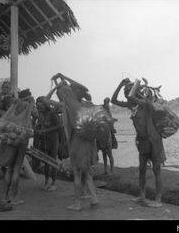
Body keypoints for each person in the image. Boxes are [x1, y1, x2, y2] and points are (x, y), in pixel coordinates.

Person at [43, 73, 99, 211]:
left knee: (77, 175)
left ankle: (77, 203)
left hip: (76, 144)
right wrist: (65, 80)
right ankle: (94, 198)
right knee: (87, 172)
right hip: (88, 143)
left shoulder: (65, 106)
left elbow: (45, 99)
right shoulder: (85, 105)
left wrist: (57, 85)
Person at [111, 78, 165, 208]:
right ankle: (141, 195)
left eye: (127, 91)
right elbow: (113, 100)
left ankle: (158, 199)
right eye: (124, 91)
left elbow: (131, 95)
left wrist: (136, 83)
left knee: (156, 170)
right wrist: (120, 84)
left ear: (134, 92)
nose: (125, 94)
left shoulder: (144, 103)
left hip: (153, 141)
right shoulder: (131, 105)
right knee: (141, 170)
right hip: (142, 142)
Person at [0, 88, 35, 205]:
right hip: (21, 142)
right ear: (28, 96)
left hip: (9, 141)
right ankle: (14, 197)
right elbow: (31, 120)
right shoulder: (27, 106)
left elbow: (3, 121)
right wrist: (32, 103)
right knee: (16, 169)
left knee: (9, 168)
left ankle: (5, 196)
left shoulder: (14, 105)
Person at [35, 96, 63, 191]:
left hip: (53, 139)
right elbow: (38, 126)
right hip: (44, 140)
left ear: (45, 105)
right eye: (38, 106)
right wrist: (38, 129)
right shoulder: (40, 115)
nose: (39, 108)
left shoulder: (52, 114)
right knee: (45, 161)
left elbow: (60, 125)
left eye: (41, 106)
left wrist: (47, 130)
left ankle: (53, 183)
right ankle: (46, 181)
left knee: (52, 161)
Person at [97, 97, 117, 175]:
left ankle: (111, 170)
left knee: (108, 154)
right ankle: (106, 170)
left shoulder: (106, 112)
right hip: (104, 133)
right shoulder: (103, 111)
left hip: (107, 133)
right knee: (105, 154)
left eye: (107, 102)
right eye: (106, 102)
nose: (106, 104)